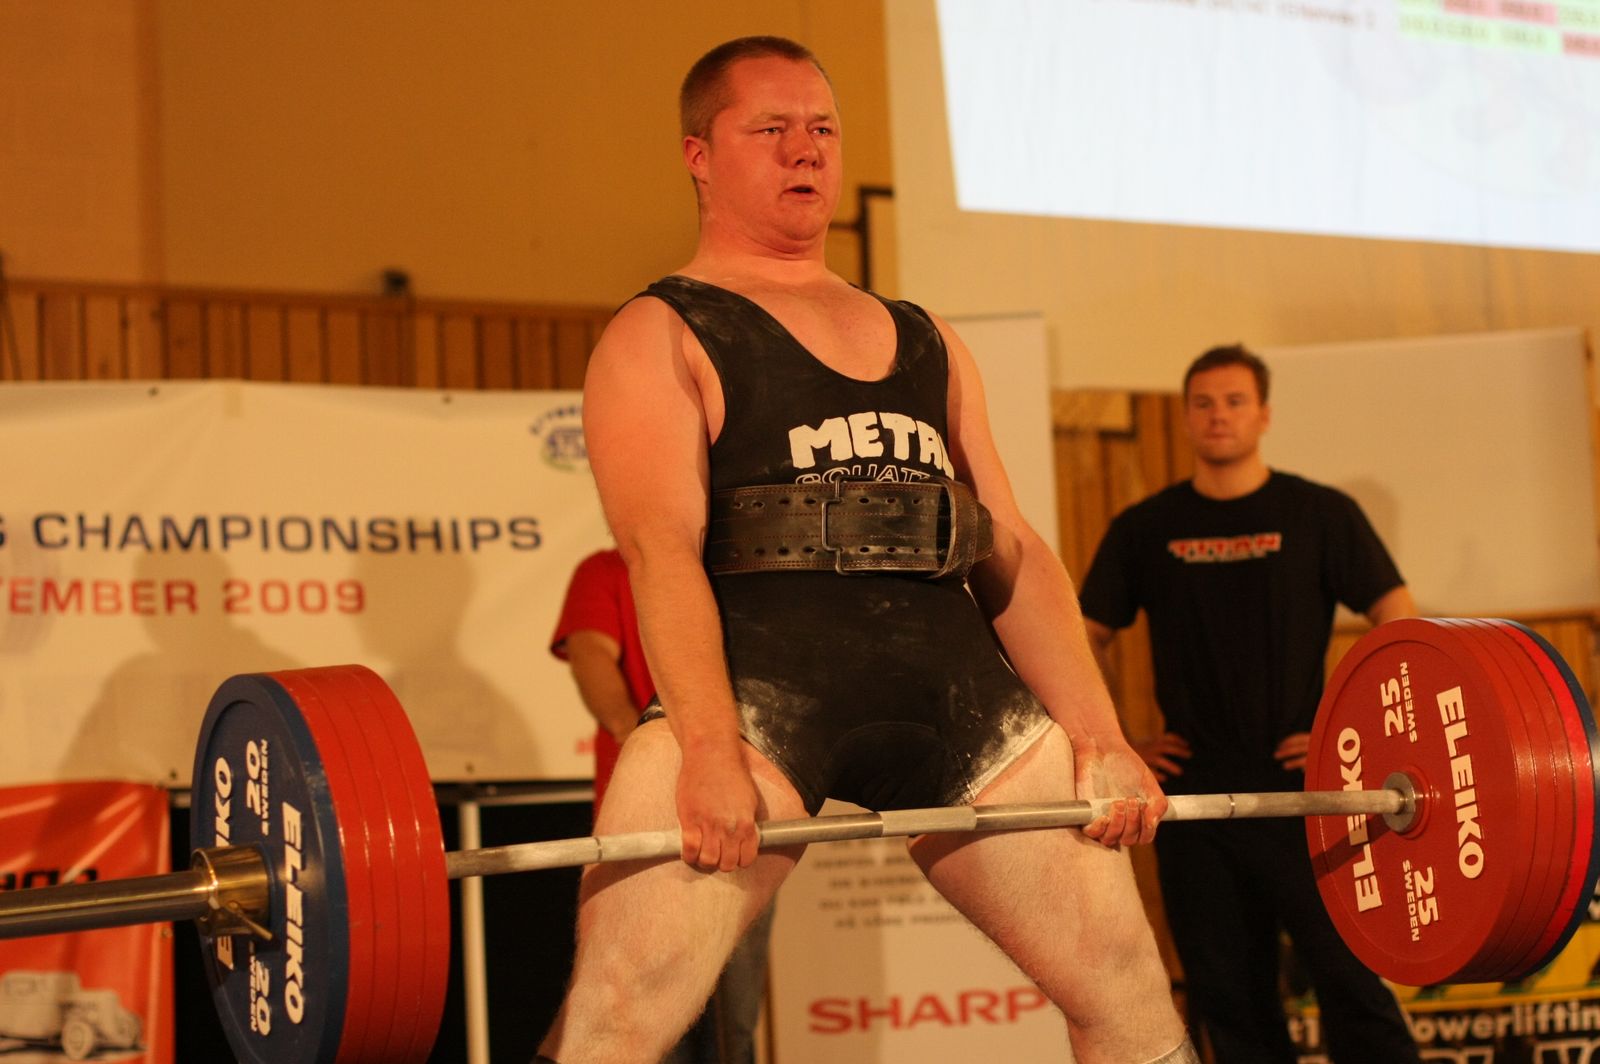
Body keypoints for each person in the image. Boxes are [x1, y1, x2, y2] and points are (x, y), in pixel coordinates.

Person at [537, 36, 1198, 1064]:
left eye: (822, 129)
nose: (804, 150)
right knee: (615, 1023)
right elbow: (660, 553)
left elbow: (1013, 547)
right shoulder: (660, 331)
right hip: (757, 710)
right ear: (699, 155)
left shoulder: (927, 336)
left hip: (961, 703)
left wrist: (1099, 734)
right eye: (770, 129)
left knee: (1131, 997)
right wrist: (706, 749)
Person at [1078, 344, 1422, 1063]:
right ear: (1186, 417)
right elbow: (1084, 635)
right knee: (1230, 1000)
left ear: (1263, 414)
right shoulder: (1146, 527)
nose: (1218, 415)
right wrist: (1120, 740)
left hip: (1310, 792)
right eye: (1203, 403)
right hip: (1194, 800)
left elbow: (1399, 620)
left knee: (1352, 981)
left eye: (1235, 401)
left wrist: (1352, 731)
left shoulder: (1319, 513)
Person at [549, 547, 774, 1064]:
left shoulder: (742, 563)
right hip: (646, 829)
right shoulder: (607, 570)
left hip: (740, 819)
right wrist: (648, 747)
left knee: (732, 1024)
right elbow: (590, 655)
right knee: (641, 1019)